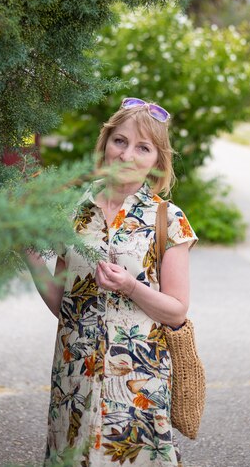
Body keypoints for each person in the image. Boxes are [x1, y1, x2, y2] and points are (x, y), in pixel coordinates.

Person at [26, 97, 198, 467]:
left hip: (138, 384)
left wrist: (131, 287)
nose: (126, 154)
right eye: (119, 141)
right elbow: (64, 305)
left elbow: (176, 310)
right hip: (74, 379)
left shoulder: (168, 218)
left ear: (157, 160)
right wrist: (29, 256)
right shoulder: (75, 211)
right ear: (105, 144)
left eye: (143, 147)